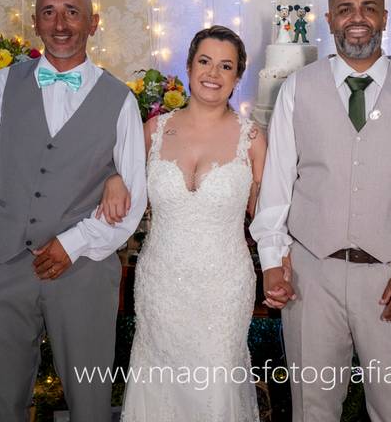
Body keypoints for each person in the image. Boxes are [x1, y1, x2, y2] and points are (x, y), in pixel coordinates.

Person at [250, 0, 391, 421]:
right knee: (312, 409)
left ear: (385, 17)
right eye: (345, 9)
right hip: (311, 274)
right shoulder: (297, 89)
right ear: (329, 20)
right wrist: (271, 260)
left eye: (369, 7)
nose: (357, 18)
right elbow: (277, 187)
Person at [0, 0, 148, 422]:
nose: (60, 24)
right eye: (49, 12)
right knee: (2, 405)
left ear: (93, 22)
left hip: (84, 271)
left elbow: (132, 199)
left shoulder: (120, 100)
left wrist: (73, 244)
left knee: (91, 406)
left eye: (72, 12)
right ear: (35, 22)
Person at [101, 26, 268, 421]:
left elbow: (267, 218)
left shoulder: (252, 139)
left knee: (217, 383)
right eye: (205, 61)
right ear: (189, 67)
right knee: (160, 383)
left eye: (226, 66)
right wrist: (113, 177)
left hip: (224, 288)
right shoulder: (154, 131)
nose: (213, 73)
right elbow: (117, 178)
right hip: (161, 284)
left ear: (237, 77)